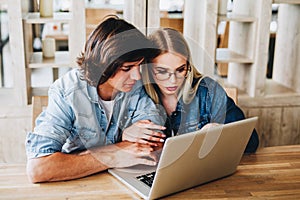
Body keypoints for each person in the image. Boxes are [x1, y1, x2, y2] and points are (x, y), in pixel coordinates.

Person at [25, 16, 166, 183]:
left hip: (118, 180)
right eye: (126, 68)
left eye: (140, 65)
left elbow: (152, 145)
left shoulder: (135, 85)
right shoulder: (68, 91)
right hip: (76, 184)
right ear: (104, 65)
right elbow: (39, 169)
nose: (137, 76)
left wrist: (96, 153)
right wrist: (116, 152)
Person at [134, 28, 259, 153]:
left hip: (200, 171)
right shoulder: (137, 94)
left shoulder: (208, 91)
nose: (173, 80)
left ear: (188, 65)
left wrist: (220, 132)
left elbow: (251, 142)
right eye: (162, 72)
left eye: (180, 69)